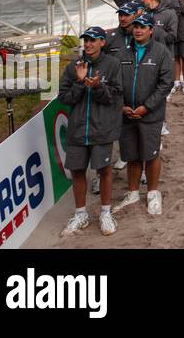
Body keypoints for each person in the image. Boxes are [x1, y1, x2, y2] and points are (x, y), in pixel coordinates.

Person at [58, 27, 123, 237]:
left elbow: (114, 98)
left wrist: (96, 87)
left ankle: (105, 212)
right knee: (77, 171)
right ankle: (80, 214)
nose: (88, 44)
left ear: (102, 42)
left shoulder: (112, 65)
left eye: (93, 40)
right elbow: (64, 98)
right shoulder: (73, 67)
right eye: (86, 40)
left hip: (102, 129)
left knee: (104, 171)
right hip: (77, 130)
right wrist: (79, 82)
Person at [112, 14, 174, 217]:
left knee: (151, 153)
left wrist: (146, 107)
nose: (138, 30)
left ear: (150, 30)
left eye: (142, 27)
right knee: (131, 154)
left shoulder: (161, 52)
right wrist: (122, 106)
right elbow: (115, 83)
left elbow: (166, 83)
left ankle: (153, 193)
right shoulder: (122, 53)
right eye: (136, 26)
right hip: (127, 114)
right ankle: (133, 192)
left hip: (151, 114)